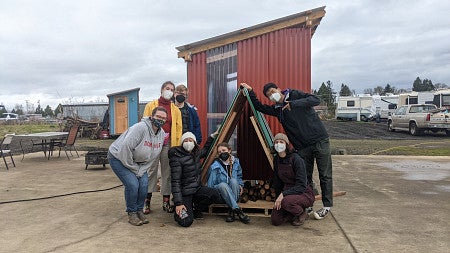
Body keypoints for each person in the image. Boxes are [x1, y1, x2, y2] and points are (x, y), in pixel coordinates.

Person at [241, 82, 333, 220]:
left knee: (324, 174)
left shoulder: (294, 95)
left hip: (319, 140)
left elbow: (315, 100)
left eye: (273, 91)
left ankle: (327, 206)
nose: (272, 95)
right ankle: (307, 203)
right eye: (269, 95)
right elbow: (259, 107)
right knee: (305, 177)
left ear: (279, 89)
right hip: (302, 146)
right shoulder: (278, 110)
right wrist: (251, 91)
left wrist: (293, 104)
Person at [107, 107, 167, 226]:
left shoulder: (161, 134)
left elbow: (154, 156)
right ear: (152, 116)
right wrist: (135, 169)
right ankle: (132, 212)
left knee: (144, 185)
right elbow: (125, 149)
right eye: (158, 117)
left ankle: (139, 210)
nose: (161, 120)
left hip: (140, 163)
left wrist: (141, 170)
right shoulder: (140, 128)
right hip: (119, 157)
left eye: (164, 118)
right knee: (133, 184)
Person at [142, 81, 183, 214]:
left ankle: (166, 201)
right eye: (167, 88)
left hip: (168, 144)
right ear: (161, 89)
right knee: (150, 171)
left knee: (167, 172)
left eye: (172, 89)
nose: (169, 91)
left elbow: (178, 127)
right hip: (152, 143)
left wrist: (176, 145)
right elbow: (145, 123)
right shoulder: (150, 105)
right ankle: (146, 202)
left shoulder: (175, 110)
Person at [168, 132, 221, 227]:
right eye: (186, 140)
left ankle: (197, 209)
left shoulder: (195, 153)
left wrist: (212, 137)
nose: (188, 142)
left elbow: (205, 150)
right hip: (185, 193)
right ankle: (178, 212)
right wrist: (179, 203)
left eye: (190, 140)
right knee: (186, 222)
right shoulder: (176, 158)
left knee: (215, 194)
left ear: (194, 143)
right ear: (182, 143)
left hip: (196, 189)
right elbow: (175, 182)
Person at [270, 133, 315, 226]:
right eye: (276, 142)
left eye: (281, 142)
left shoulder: (296, 159)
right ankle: (291, 213)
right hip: (287, 192)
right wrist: (277, 198)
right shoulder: (276, 159)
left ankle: (301, 212)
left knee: (286, 202)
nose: (279, 144)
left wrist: (283, 195)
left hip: (303, 193)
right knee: (276, 220)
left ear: (286, 144)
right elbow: (278, 181)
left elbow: (301, 185)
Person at [206, 142, 250, 223]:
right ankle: (237, 210)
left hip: (234, 192)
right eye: (219, 152)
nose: (222, 153)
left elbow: (239, 176)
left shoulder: (236, 163)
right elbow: (210, 185)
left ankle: (232, 210)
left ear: (229, 151)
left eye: (224, 150)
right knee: (223, 185)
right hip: (220, 195)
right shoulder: (215, 166)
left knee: (233, 180)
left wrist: (240, 185)